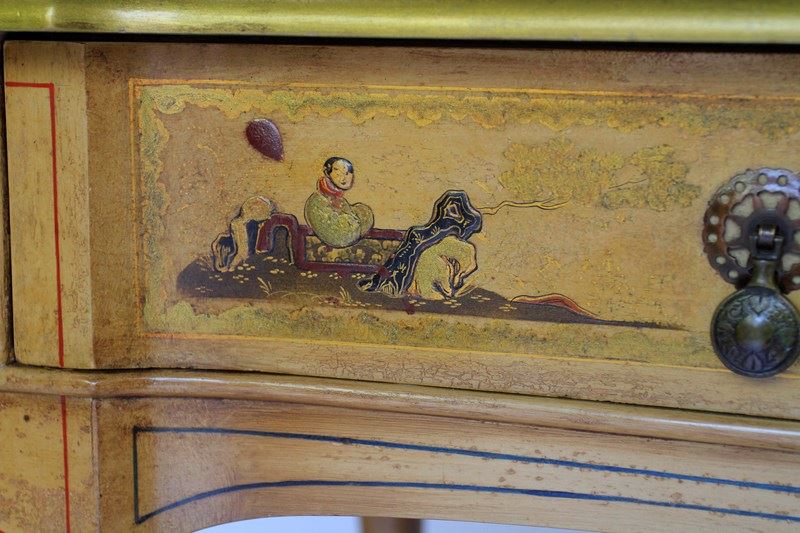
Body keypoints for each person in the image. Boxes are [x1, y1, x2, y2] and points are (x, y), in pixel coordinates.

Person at [304, 157, 374, 248]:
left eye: (347, 173)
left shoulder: (339, 199)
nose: (343, 178)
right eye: (338, 173)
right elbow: (345, 236)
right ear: (327, 173)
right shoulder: (317, 201)